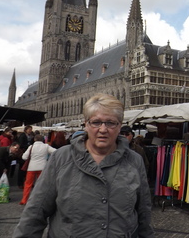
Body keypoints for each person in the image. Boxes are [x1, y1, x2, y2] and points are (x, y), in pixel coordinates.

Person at [13, 93, 155, 238]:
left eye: (111, 123)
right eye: (96, 122)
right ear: (86, 124)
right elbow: (35, 212)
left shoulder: (134, 160)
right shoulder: (61, 158)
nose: (103, 129)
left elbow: (143, 214)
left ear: (119, 126)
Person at [19, 134, 57, 205]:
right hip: (43, 167)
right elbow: (55, 152)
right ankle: (42, 200)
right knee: (42, 184)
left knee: (28, 184)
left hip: (31, 168)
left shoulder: (31, 147)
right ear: (42, 139)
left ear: (34, 139)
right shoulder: (46, 146)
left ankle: (24, 200)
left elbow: (24, 157)